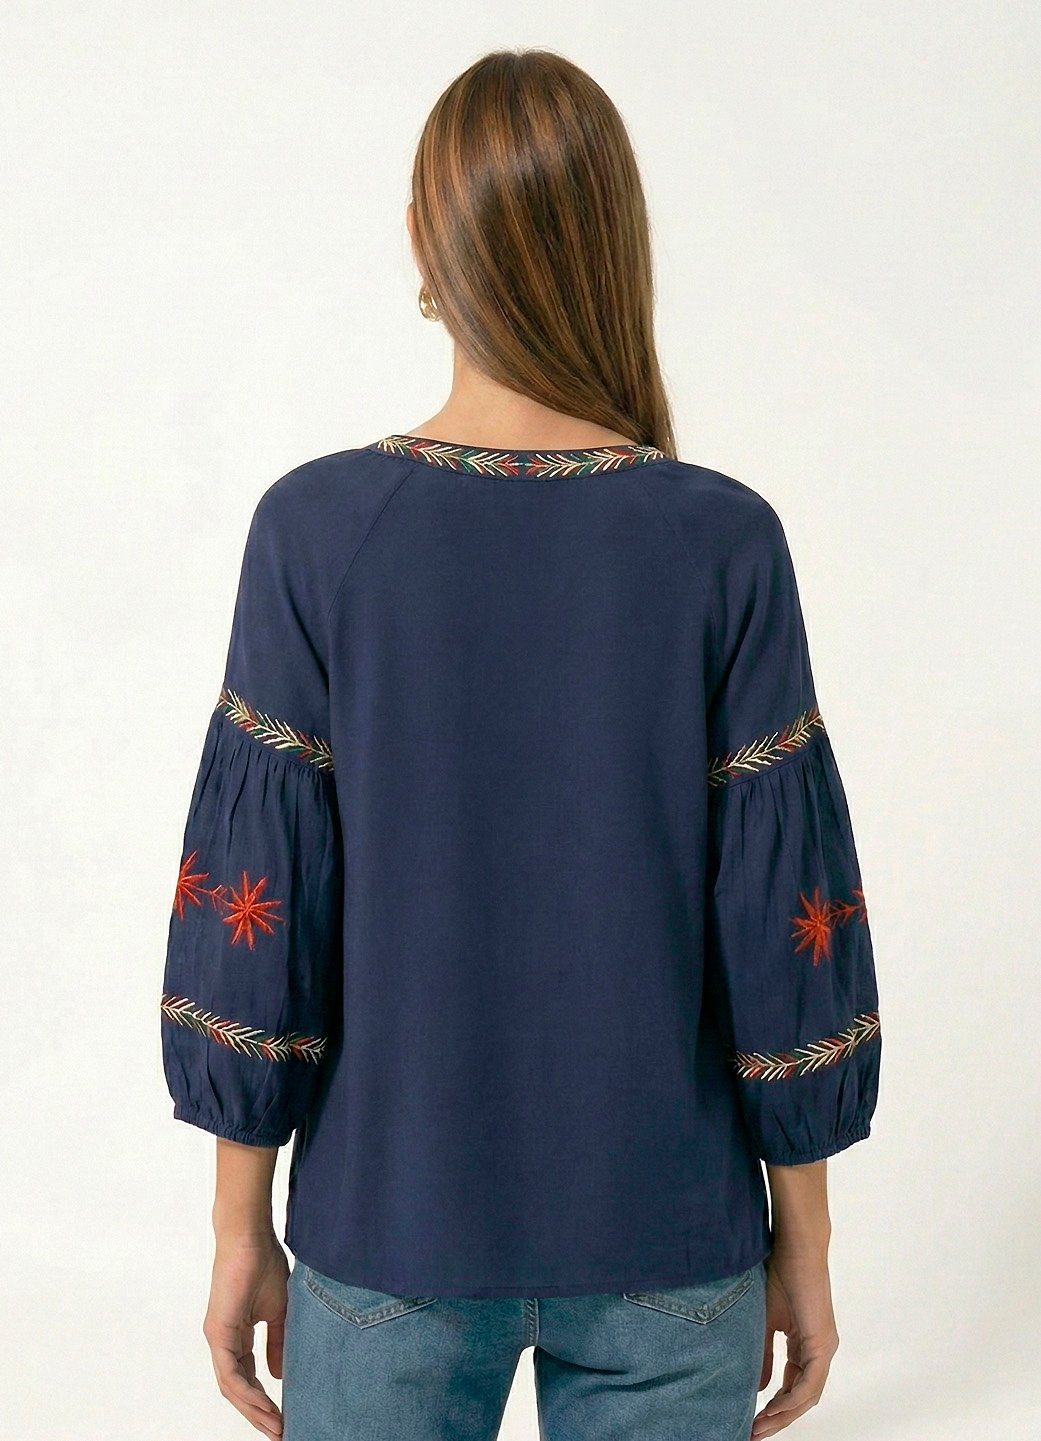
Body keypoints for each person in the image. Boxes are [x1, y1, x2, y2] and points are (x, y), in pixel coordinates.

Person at [159, 46, 882, 1441]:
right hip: (674, 1237)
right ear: (614, 242)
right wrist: (808, 1235)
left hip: (389, 1233)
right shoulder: (722, 542)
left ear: (425, 240)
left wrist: (238, 1226)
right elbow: (785, 930)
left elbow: (258, 911)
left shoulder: (317, 533)